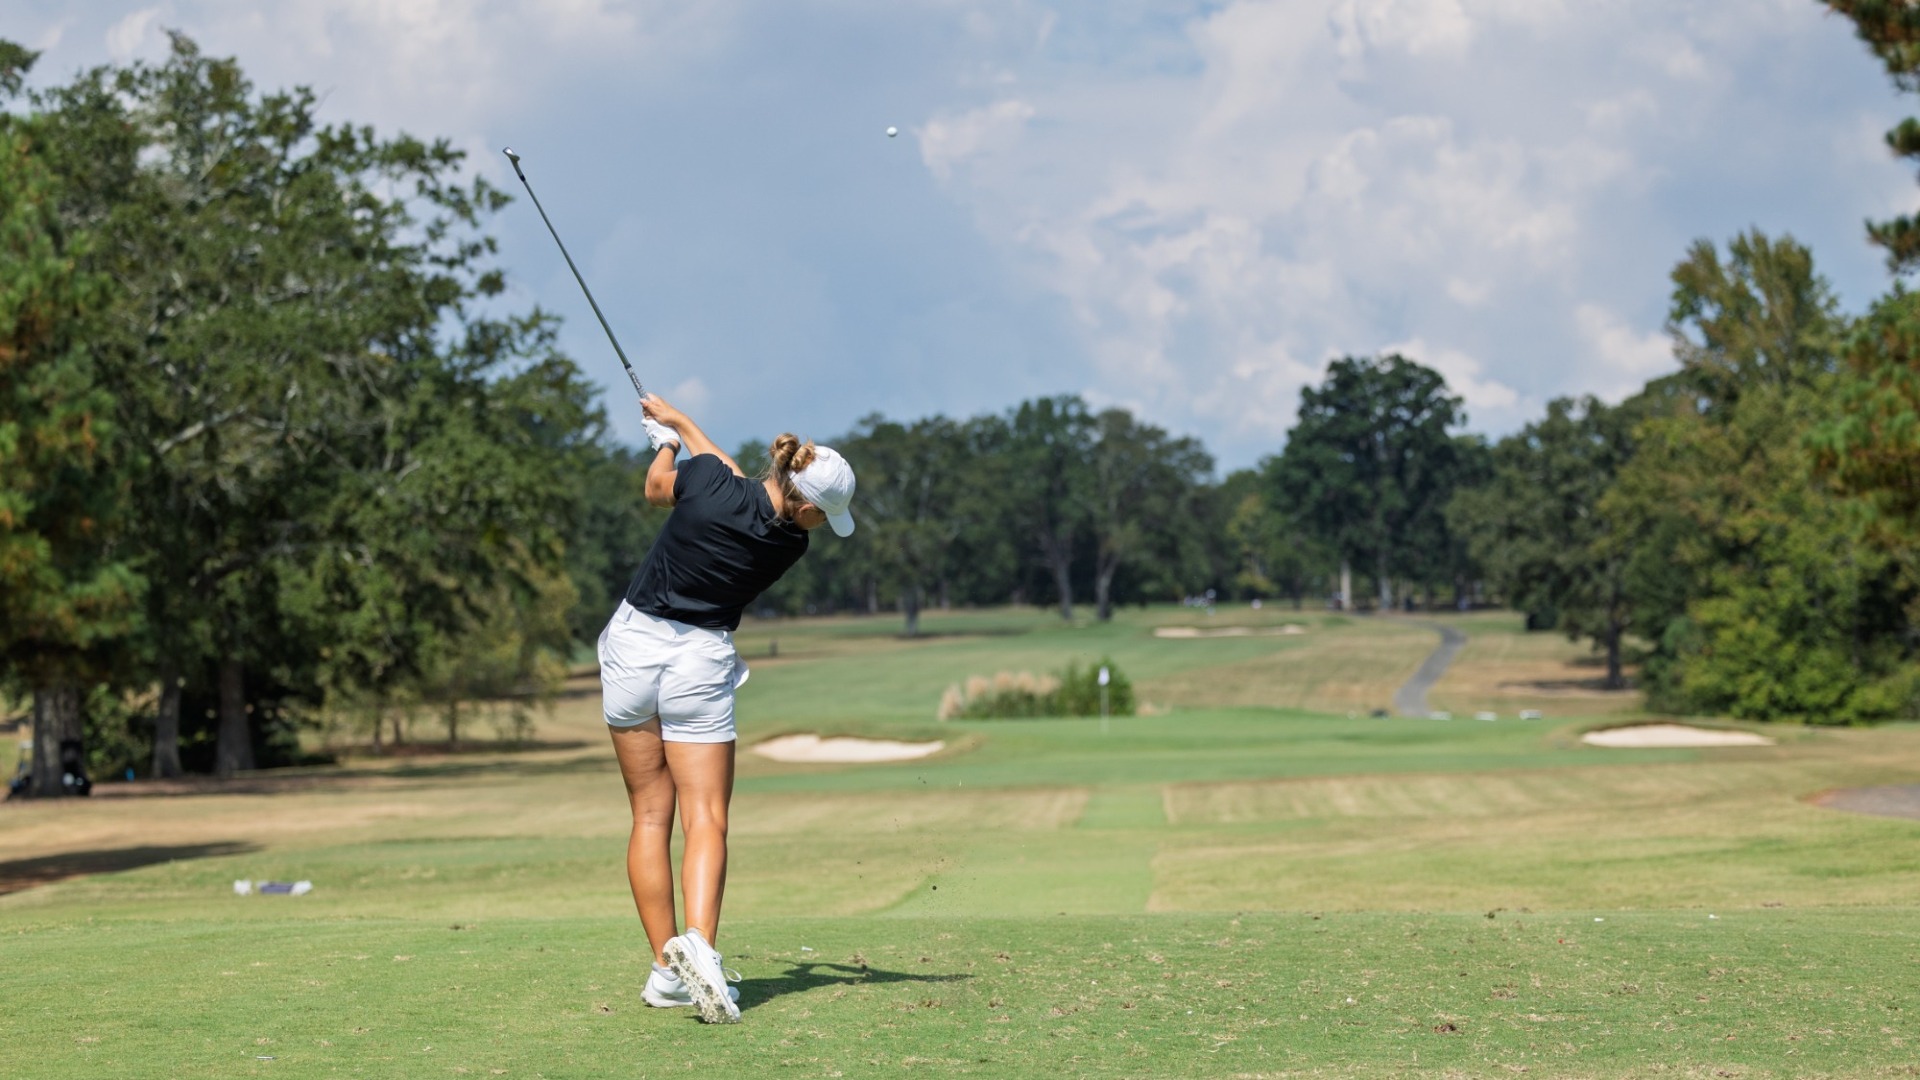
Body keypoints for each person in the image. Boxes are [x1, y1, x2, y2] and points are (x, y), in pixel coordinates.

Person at [598, 393, 855, 1025]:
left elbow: (664, 486)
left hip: (632, 646)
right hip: (698, 661)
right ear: (800, 504)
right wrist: (682, 423)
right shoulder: (788, 543)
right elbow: (733, 481)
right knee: (706, 815)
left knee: (650, 815)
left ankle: (666, 970)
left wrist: (665, 438)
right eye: (823, 513)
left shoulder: (715, 485)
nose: (821, 523)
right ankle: (702, 951)